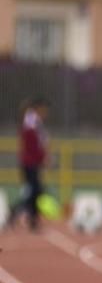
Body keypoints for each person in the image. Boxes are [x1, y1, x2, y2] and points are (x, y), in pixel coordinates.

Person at [12, 97, 50, 232]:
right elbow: (33, 144)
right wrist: (42, 158)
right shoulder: (31, 121)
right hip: (30, 162)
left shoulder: (34, 121)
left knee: (34, 191)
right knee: (35, 190)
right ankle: (17, 212)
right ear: (38, 108)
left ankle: (31, 219)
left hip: (32, 161)